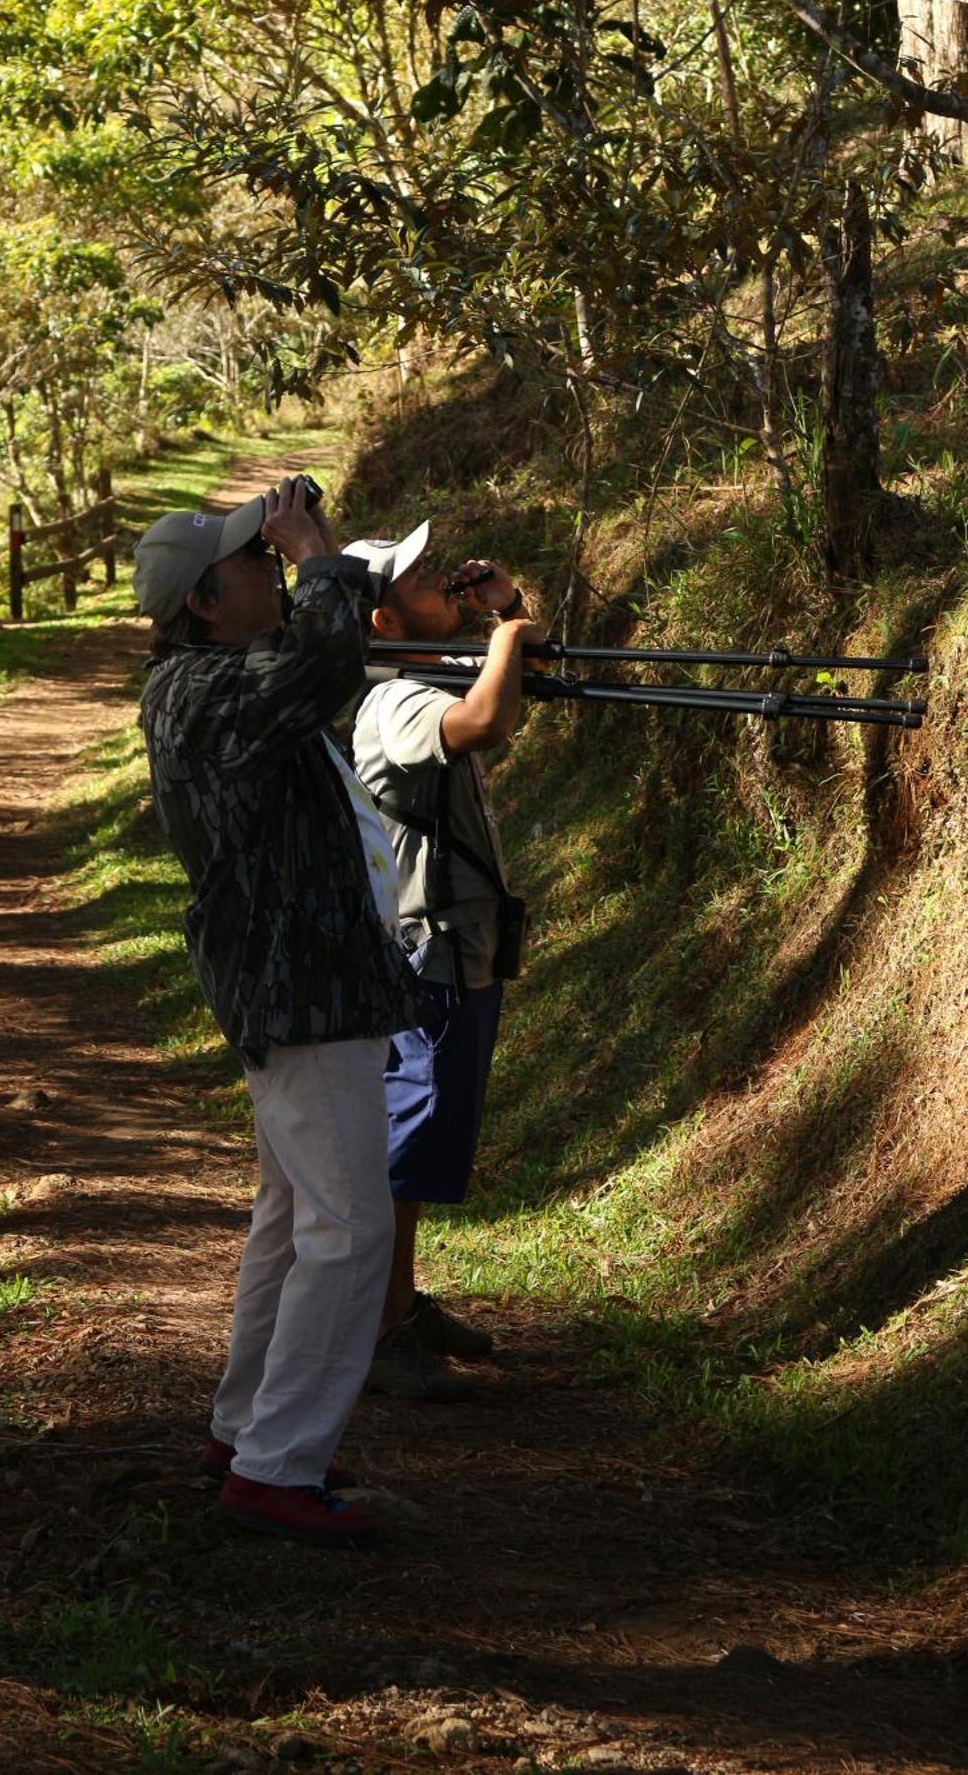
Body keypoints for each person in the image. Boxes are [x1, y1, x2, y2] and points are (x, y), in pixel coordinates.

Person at [134, 475, 423, 1546]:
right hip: (301, 986)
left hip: (297, 977)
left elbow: (321, 660)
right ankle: (278, 1468)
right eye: (252, 562)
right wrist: (322, 556)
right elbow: (320, 659)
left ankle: (249, 1428)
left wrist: (323, 560)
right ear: (206, 602)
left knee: (289, 1217)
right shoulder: (204, 694)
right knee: (349, 1228)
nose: (270, 569)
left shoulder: (217, 674)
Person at [344, 522, 540, 1400]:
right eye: (414, 575)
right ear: (384, 618)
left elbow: (524, 676)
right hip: (429, 954)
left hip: (455, 945)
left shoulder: (420, 672)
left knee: (417, 1146)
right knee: (405, 1144)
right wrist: (503, 638)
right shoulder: (392, 700)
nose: (436, 575)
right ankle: (383, 1333)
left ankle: (401, 1307)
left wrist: (510, 610)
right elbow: (488, 717)